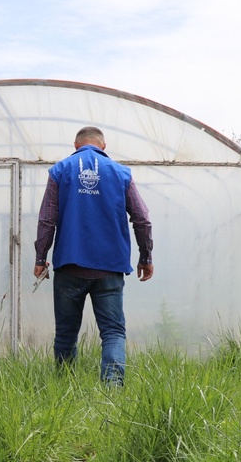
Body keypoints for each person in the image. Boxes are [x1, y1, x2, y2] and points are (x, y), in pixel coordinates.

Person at [33, 126, 153, 384]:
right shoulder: (121, 173)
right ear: (104, 146)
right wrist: (146, 257)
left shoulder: (60, 171)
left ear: (75, 146)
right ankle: (113, 389)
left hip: (69, 266)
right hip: (109, 267)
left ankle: (64, 387)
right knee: (112, 332)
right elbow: (142, 219)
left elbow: (47, 219)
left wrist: (40, 258)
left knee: (65, 333)